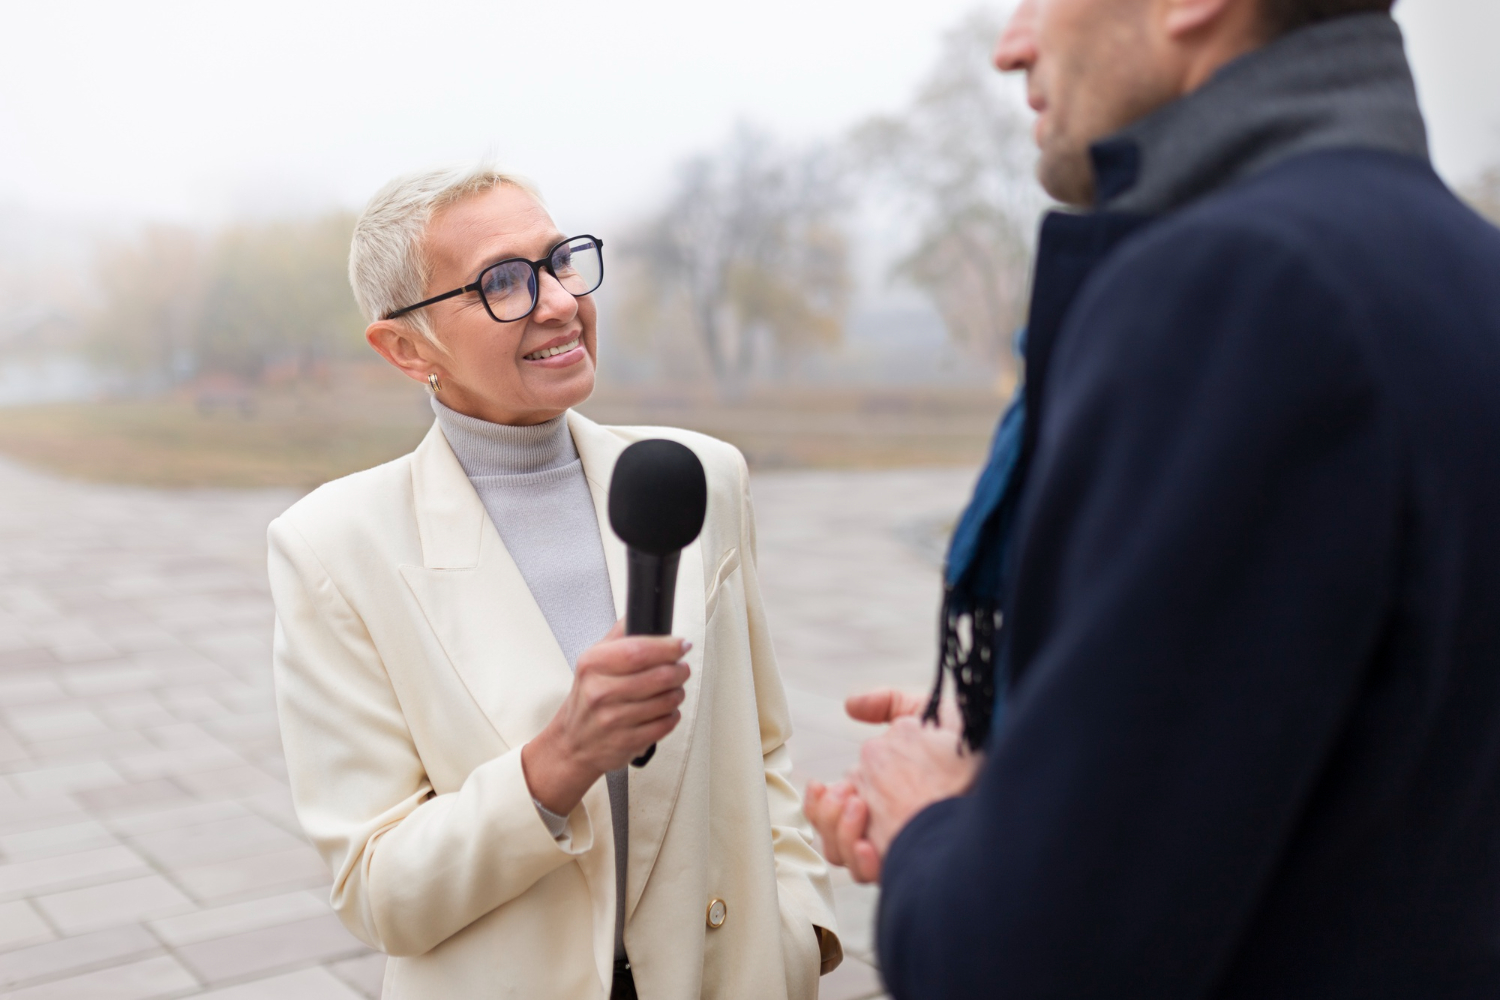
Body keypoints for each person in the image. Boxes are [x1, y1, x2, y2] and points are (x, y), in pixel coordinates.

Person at [806, 0, 1500, 996]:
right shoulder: (1465, 272)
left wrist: (933, 823)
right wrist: (1040, 738)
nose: (1011, 46)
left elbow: (1024, 966)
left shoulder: (1234, 287)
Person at [267, 166, 839, 999]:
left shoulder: (703, 477)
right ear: (404, 346)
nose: (561, 302)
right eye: (504, 281)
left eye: (560, 260)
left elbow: (762, 743)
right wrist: (558, 761)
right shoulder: (331, 548)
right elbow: (379, 890)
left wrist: (797, 930)